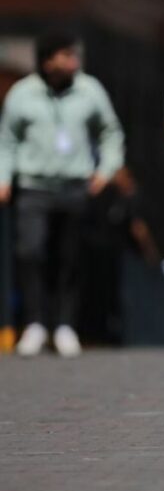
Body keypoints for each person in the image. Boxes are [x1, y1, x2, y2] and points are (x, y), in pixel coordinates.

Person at [0, 33, 125, 357]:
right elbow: (7, 140)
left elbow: (110, 131)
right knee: (31, 253)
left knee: (71, 258)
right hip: (32, 186)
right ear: (47, 61)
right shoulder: (22, 94)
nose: (73, 62)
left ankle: (66, 325)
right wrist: (3, 177)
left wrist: (106, 170)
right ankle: (35, 324)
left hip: (75, 186)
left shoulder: (89, 90)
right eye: (66, 56)